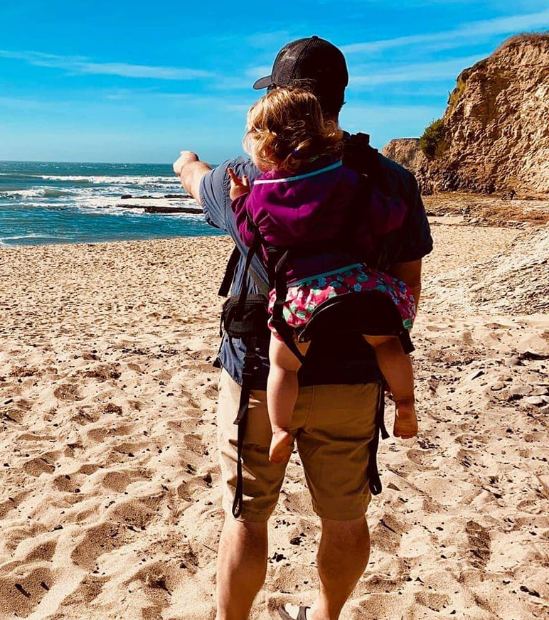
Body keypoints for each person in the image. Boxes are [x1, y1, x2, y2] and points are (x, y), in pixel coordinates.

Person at [172, 37, 433, 620]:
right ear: (339, 100)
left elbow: (198, 182)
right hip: (354, 376)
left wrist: (187, 160)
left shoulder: (249, 175)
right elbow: (407, 286)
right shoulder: (389, 181)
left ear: (277, 100)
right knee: (344, 518)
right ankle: (325, 615)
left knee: (245, 518)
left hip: (261, 375)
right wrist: (386, 356)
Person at [228, 87, 419, 465]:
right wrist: (398, 204)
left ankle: (280, 429)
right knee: (388, 343)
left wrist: (238, 199)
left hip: (299, 298)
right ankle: (406, 403)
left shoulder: (261, 197)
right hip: (356, 288)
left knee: (284, 364)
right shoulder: (348, 180)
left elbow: (252, 239)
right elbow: (388, 218)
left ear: (263, 145)